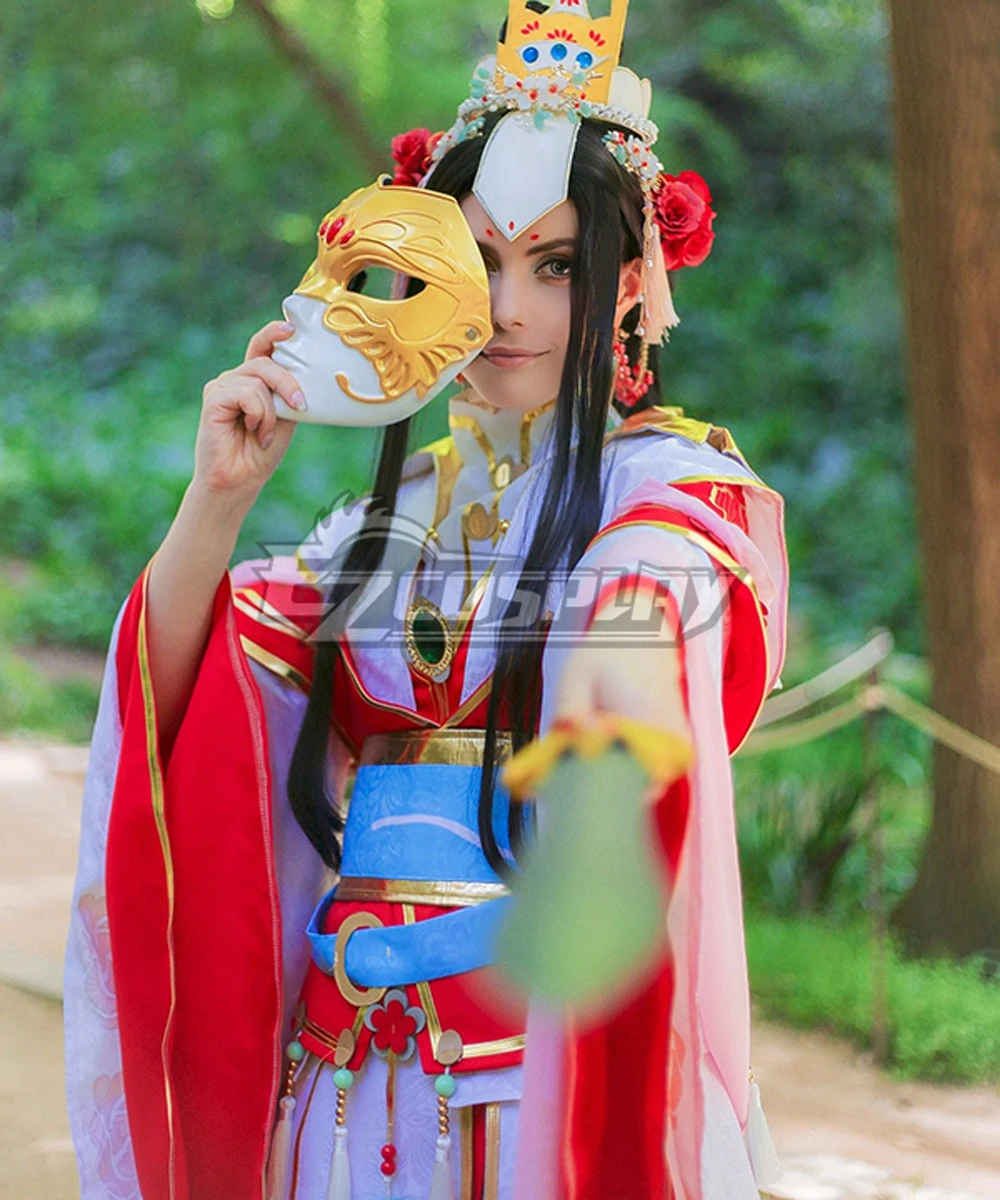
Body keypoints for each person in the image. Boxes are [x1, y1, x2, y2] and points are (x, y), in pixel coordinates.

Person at [64, 2, 788, 1198]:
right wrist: (219, 501)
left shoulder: (668, 496)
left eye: (555, 267)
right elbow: (191, 697)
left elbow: (660, 627)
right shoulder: (382, 520)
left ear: (629, 287)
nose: (506, 310)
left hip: (540, 1068)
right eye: (479, 263)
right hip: (344, 1069)